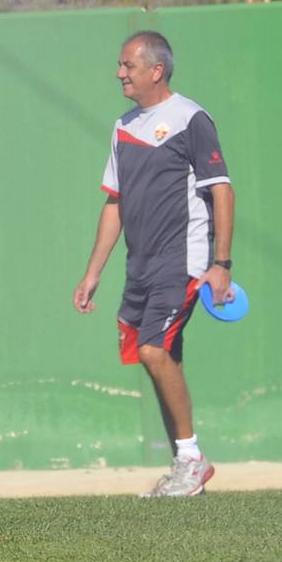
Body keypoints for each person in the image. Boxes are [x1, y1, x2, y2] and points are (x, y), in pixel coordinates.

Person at [73, 31, 234, 498]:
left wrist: (221, 263)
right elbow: (114, 204)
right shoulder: (124, 126)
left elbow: (222, 189)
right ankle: (185, 465)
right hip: (140, 267)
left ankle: (191, 460)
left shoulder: (191, 119)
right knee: (160, 356)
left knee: (153, 351)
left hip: (182, 260)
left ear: (156, 70)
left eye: (128, 65)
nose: (120, 72)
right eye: (120, 65)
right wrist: (93, 273)